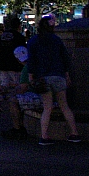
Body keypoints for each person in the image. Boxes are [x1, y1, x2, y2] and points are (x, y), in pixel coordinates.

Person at [27, 13, 80, 145]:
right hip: (58, 75)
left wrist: (31, 76)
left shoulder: (33, 41)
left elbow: (31, 61)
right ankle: (74, 133)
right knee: (64, 106)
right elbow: (65, 58)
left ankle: (44, 136)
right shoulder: (56, 40)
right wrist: (66, 75)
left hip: (43, 77)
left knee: (47, 108)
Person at [0, 15, 29, 140]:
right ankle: (20, 126)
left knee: (10, 96)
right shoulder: (19, 37)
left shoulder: (1, 36)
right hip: (16, 69)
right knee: (18, 96)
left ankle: (16, 125)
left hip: (3, 69)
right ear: (19, 26)